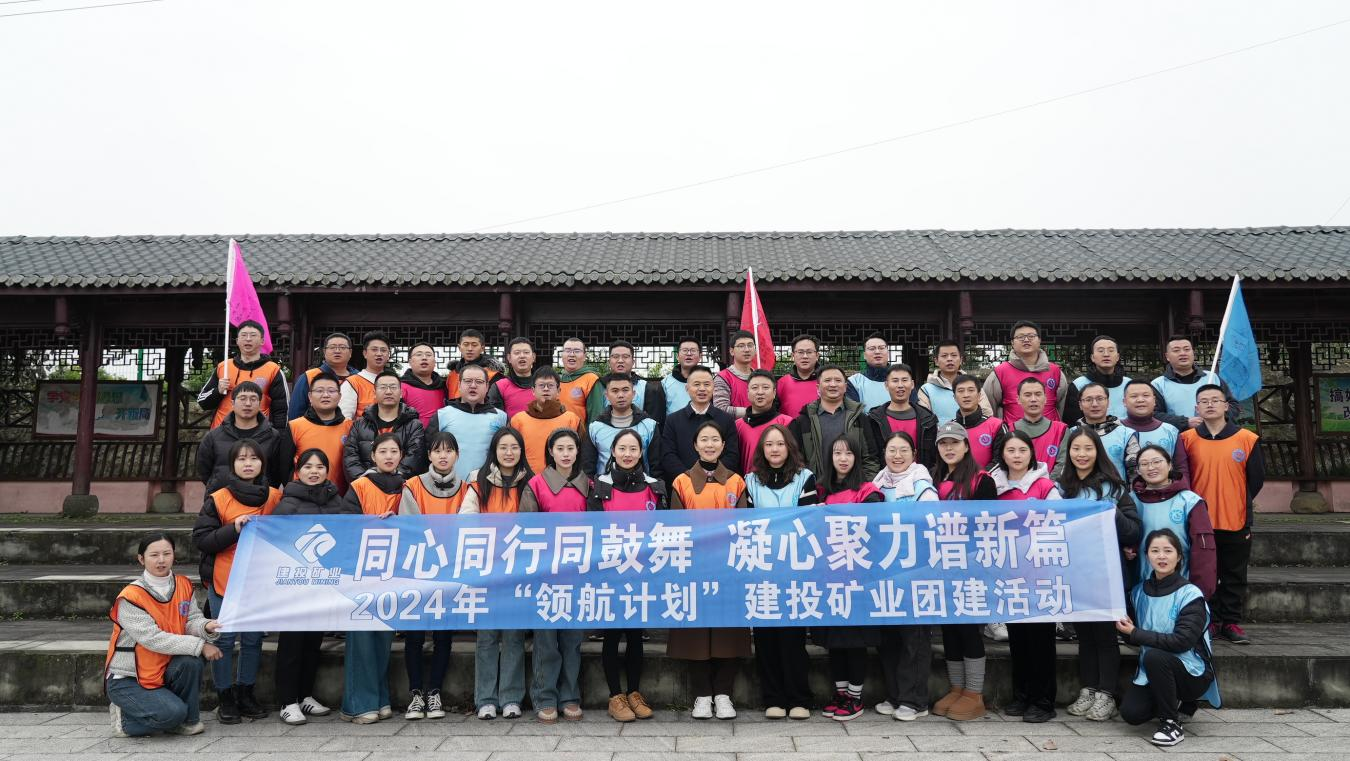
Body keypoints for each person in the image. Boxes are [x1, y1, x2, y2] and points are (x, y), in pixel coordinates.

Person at [191, 438, 282, 724]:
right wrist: (233, 528)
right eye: (241, 459)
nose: (248, 464)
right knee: (225, 639)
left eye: (254, 458)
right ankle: (225, 696)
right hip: (224, 578)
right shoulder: (218, 498)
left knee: (253, 639)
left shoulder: (274, 497)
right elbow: (202, 539)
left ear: (262, 464)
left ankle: (246, 692)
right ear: (232, 465)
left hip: (259, 580)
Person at [1057, 428, 1143, 722]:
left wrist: (1111, 511)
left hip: (1106, 573)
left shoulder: (1114, 488)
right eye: (1076, 449)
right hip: (1075, 572)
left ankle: (1106, 694)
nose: (1082, 454)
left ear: (1098, 452)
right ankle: (1088, 689)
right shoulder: (1061, 488)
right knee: (1085, 635)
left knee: (1106, 635)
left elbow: (1133, 531)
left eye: (1088, 448)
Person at [667, 421, 750, 721]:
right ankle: (702, 695)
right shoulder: (681, 482)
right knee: (696, 631)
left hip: (728, 567)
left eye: (715, 439)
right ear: (695, 445)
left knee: (729, 630)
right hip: (694, 567)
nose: (710, 445)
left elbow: (743, 526)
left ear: (723, 445)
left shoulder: (737, 482)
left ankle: (724, 693)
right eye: (704, 440)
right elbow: (676, 528)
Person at [105, 532, 222, 738]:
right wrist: (201, 645)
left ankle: (187, 722)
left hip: (162, 668)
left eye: (167, 554)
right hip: (129, 679)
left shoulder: (183, 584)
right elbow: (153, 638)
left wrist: (207, 627)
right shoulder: (130, 597)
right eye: (154, 555)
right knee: (173, 714)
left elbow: (191, 620)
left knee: (191, 662)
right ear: (141, 559)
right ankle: (124, 721)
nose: (161, 560)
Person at [1117, 529, 1221, 747]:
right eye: (1155, 551)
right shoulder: (1138, 593)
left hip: (1191, 672)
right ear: (1147, 556)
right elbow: (1132, 638)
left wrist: (1135, 633)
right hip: (1153, 669)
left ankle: (1171, 724)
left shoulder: (1190, 594)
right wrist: (1124, 629)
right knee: (1132, 714)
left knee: (1155, 656)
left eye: (1168, 551)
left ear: (1179, 556)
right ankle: (1175, 702)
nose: (1161, 556)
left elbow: (1182, 642)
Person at [589, 429, 666, 722]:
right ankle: (615, 696)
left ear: (641, 452)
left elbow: (663, 530)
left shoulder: (655, 486)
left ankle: (634, 692)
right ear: (613, 451)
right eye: (622, 448)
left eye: (633, 448)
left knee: (635, 634)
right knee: (611, 634)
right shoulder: (600, 485)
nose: (628, 454)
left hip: (642, 572)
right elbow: (594, 530)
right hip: (611, 571)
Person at [272, 448, 353, 725]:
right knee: (291, 645)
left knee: (312, 642)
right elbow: (274, 541)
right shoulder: (288, 503)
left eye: (320, 467)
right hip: (294, 586)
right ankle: (287, 701)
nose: (314, 471)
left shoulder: (335, 500)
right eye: (308, 467)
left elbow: (347, 531)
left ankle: (305, 695)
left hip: (322, 584)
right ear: (298, 471)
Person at [1181, 384, 1265, 645]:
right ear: (1196, 408)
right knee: (1204, 574)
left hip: (1235, 519)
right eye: (1204, 401)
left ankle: (1231, 621)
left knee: (1234, 574)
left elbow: (1256, 480)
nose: (1210, 404)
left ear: (1226, 406)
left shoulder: (1247, 439)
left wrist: (1236, 500)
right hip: (1200, 521)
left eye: (1215, 400)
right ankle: (1211, 620)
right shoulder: (1187, 439)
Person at [988, 430, 1061, 723]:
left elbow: (1059, 522)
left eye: (1022, 450)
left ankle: (1043, 701)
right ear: (1002, 455)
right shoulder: (994, 485)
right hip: (1009, 574)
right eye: (1011, 450)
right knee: (1018, 639)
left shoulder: (1045, 486)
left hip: (1040, 574)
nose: (1016, 456)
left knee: (1041, 640)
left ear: (1031, 453)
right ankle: (1022, 695)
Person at [744, 424, 817, 720]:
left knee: (792, 638)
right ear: (762, 450)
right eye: (769, 444)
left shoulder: (804, 478)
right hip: (762, 568)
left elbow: (807, 520)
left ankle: (799, 698)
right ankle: (772, 697)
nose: (774, 449)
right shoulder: (750, 481)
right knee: (765, 638)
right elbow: (748, 524)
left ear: (789, 447)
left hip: (794, 568)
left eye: (780, 444)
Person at [400, 432, 470, 721]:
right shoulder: (412, 485)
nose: (443, 456)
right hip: (420, 570)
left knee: (443, 635)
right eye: (438, 451)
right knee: (414, 635)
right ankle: (416, 693)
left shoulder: (467, 489)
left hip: (450, 571)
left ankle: (435, 692)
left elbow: (468, 529)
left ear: (457, 455)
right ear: (429, 455)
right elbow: (410, 529)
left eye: (449, 451)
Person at [521, 430, 589, 723]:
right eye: (559, 448)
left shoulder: (589, 485)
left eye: (570, 448)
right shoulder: (536, 484)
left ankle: (570, 695)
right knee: (546, 639)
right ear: (550, 451)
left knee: (572, 639)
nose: (565, 454)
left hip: (578, 573)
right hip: (546, 573)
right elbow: (527, 530)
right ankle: (544, 696)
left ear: (577, 451)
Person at [337, 433, 406, 723]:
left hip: (395, 573)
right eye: (383, 451)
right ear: (373, 456)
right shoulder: (359, 486)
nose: (389, 456)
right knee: (362, 638)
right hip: (362, 572)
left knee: (383, 638)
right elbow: (346, 528)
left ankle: (380, 698)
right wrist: (373, 525)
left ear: (401, 456)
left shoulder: (407, 486)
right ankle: (358, 704)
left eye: (394, 451)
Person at [929, 422, 995, 722]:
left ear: (966, 446)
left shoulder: (982, 480)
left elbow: (985, 526)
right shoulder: (934, 478)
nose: (949, 448)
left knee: (968, 628)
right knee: (950, 629)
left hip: (971, 566)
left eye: (954, 442)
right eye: (943, 443)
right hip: (941, 565)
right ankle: (957, 688)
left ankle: (974, 693)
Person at [463, 427, 530, 719]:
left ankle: (511, 697)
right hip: (487, 568)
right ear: (494, 450)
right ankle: (486, 699)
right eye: (503, 447)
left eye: (514, 447)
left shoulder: (530, 482)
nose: (509, 452)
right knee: (487, 635)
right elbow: (466, 520)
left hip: (518, 570)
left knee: (514, 635)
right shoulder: (478, 482)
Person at [816, 435, 882, 722]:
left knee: (855, 640)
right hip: (830, 578)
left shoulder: (868, 491)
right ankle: (840, 693)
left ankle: (855, 697)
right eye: (837, 453)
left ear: (857, 458)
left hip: (858, 580)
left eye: (848, 454)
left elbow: (875, 530)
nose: (842, 459)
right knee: (835, 640)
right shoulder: (822, 490)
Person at [1130, 445, 1217, 600]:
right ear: (1138, 470)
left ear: (1170, 464)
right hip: (1141, 587)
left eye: (1157, 462)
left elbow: (1204, 551)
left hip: (1181, 586)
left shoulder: (1189, 501)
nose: (1151, 467)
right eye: (1144, 464)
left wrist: (1200, 592)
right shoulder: (1131, 500)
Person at [790, 364, 880, 484]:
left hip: (853, 489)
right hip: (816, 488)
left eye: (838, 380)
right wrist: (809, 487)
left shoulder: (859, 418)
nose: (833, 384)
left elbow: (870, 458)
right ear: (818, 387)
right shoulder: (804, 421)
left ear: (845, 387)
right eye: (827, 380)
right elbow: (796, 460)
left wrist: (864, 486)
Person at [196, 381, 291, 491]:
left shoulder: (273, 436)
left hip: (261, 498)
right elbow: (204, 470)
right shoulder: (214, 436)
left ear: (259, 404)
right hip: (222, 498)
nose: (248, 403)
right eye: (242, 398)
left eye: (253, 399)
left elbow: (277, 473)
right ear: (232, 403)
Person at [197, 320, 289, 429]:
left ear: (262, 341)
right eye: (244, 335)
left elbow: (282, 410)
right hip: (222, 432)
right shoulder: (224, 367)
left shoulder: (273, 370)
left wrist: (278, 435)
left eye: (253, 335)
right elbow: (202, 402)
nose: (248, 339)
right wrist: (218, 391)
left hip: (258, 434)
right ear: (237, 341)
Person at [344, 369, 427, 483]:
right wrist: (366, 483)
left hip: (401, 488)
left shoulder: (414, 425)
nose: (388, 392)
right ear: (374, 393)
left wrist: (391, 482)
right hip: (365, 488)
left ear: (401, 393)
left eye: (393, 387)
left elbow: (415, 459)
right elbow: (350, 459)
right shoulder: (359, 425)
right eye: (383, 387)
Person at [982, 320, 1070, 425]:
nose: (1026, 340)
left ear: (1039, 340)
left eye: (1031, 336)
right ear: (1012, 343)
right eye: (1020, 337)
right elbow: (988, 407)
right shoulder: (1000, 372)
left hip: (1052, 433)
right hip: (1012, 433)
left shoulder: (1055, 371)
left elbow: (1062, 406)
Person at [660, 365, 740, 478]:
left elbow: (732, 455)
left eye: (707, 384)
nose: (702, 389)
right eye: (696, 384)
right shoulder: (673, 420)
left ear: (713, 387)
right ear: (687, 388)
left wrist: (711, 477)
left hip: (719, 483)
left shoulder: (726, 419)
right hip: (683, 483)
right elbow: (668, 455)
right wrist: (688, 478)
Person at [433, 363, 509, 480]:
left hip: (488, 485)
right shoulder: (442, 415)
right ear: (459, 385)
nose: (473, 385)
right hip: (449, 485)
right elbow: (428, 452)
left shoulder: (501, 417)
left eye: (479, 382)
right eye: (468, 381)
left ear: (487, 386)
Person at [583, 373, 662, 477]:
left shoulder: (649, 426)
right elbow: (588, 468)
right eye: (615, 391)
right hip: (604, 485)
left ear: (633, 394)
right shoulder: (595, 427)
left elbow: (656, 467)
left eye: (625, 390)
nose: (620, 395)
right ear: (606, 395)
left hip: (642, 485)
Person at [510, 367, 585, 476]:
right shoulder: (518, 420)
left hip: (563, 480)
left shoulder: (572, 420)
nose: (546, 389)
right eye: (541, 385)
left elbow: (583, 456)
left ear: (558, 391)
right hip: (525, 480)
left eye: (550, 385)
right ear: (533, 390)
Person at [1152, 335, 1237, 430]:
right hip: (1179, 436)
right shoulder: (1158, 384)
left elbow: (1233, 405)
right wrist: (1185, 422)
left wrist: (1215, 418)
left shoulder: (1212, 378)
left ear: (1193, 353)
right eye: (1176, 350)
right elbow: (1154, 414)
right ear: (1167, 356)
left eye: (1187, 349)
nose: (1183, 353)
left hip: (1215, 434)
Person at [1050, 381, 1130, 480]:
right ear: (1080, 405)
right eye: (1088, 400)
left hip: (1115, 488)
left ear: (1108, 402)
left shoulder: (1126, 434)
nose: (1095, 404)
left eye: (1100, 399)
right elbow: (1063, 467)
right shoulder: (1069, 433)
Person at [289, 372, 354, 493]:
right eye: (319, 391)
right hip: (302, 496)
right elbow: (284, 467)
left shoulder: (350, 427)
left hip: (339, 496)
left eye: (331, 391)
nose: (325, 395)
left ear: (339, 396)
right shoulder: (294, 426)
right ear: (310, 396)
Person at [866, 363, 938, 469]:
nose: (900, 385)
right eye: (895, 381)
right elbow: (870, 457)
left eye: (904, 380)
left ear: (912, 384)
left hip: (919, 477)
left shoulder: (927, 419)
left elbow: (933, 457)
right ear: (886, 385)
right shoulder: (874, 419)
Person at [1120, 380, 1190, 487]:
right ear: (1124, 402)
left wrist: (1183, 490)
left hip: (1164, 493)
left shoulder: (1170, 431)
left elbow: (1181, 467)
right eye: (1134, 396)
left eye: (1146, 395)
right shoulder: (1116, 430)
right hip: (1123, 494)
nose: (1140, 400)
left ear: (1154, 400)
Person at [586, 340, 666, 422]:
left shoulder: (647, 388)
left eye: (625, 356)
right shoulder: (598, 386)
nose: (620, 360)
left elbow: (654, 422)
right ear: (609, 362)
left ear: (633, 362)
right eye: (615, 356)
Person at [916, 339, 992, 424]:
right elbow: (924, 419)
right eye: (944, 356)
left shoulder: (973, 387)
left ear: (961, 360)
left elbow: (987, 415)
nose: (949, 359)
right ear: (936, 361)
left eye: (954, 355)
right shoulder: (926, 390)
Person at [734, 370, 793, 474]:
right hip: (744, 482)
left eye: (765, 387)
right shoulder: (737, 425)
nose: (760, 392)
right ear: (747, 393)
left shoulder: (787, 422)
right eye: (755, 388)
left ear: (774, 393)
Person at [289, 332, 355, 420]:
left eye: (342, 347)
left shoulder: (358, 378)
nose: (337, 351)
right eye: (332, 347)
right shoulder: (309, 376)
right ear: (324, 352)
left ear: (350, 352)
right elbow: (295, 413)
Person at [951, 374, 1007, 468]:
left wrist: (981, 476)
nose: (966, 395)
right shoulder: (949, 428)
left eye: (971, 390)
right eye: (961, 391)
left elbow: (1000, 460)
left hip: (988, 477)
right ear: (954, 397)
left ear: (979, 395)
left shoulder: (996, 426)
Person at [1011, 378, 1068, 469]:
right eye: (1027, 395)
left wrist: (1045, 479)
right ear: (1018, 399)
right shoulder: (1008, 430)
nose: (1033, 399)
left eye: (1038, 394)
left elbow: (1063, 464)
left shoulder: (1061, 430)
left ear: (1045, 398)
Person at [1072, 335, 1133, 420]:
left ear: (1117, 357)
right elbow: (1073, 420)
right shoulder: (1078, 384)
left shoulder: (1129, 385)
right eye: (1100, 351)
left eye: (1111, 350)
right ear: (1092, 357)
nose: (1106, 354)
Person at [339, 331, 392, 420]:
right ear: (365, 353)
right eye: (374, 349)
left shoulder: (394, 382)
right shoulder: (353, 383)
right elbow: (344, 420)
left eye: (383, 350)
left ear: (388, 355)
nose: (379, 353)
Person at [873, 431, 938, 503]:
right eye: (892, 450)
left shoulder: (924, 490)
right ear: (884, 453)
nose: (897, 456)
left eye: (904, 450)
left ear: (914, 454)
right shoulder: (877, 484)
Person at [401, 342, 449, 428]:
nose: (424, 358)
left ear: (434, 361)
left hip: (441, 434)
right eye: (419, 354)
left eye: (428, 355)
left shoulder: (444, 387)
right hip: (412, 434)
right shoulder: (400, 387)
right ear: (410, 362)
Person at [488, 337, 539, 418]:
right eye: (517, 353)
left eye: (526, 352)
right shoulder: (499, 386)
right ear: (509, 358)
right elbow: (494, 418)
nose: (522, 356)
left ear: (533, 357)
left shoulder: (543, 385)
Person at [446, 328, 503, 401]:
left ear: (482, 348)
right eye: (466, 345)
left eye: (474, 345)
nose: (470, 349)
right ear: (459, 348)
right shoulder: (452, 374)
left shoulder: (492, 374)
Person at [714, 329, 757, 419]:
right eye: (741, 346)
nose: (747, 350)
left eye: (750, 345)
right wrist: (754, 412)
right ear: (732, 351)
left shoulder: (759, 377)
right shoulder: (723, 377)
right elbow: (720, 409)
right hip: (733, 427)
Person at [776, 334, 821, 418]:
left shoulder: (826, 381)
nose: (805, 356)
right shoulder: (782, 383)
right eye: (800, 352)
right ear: (793, 356)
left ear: (817, 356)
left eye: (809, 352)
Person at [659, 337, 703, 422]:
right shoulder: (665, 383)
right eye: (685, 350)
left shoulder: (708, 382)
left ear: (700, 356)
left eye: (693, 350)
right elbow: (660, 417)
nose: (689, 354)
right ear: (677, 356)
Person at [556, 337, 600, 423]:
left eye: (577, 351)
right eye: (567, 350)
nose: (572, 354)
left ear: (584, 356)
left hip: (579, 430)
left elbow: (595, 414)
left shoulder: (591, 379)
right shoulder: (555, 379)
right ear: (562, 355)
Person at [845, 333, 892, 412]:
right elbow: (853, 414)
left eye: (881, 348)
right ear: (864, 355)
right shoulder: (854, 382)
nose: (877, 352)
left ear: (888, 352)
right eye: (872, 348)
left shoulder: (902, 379)